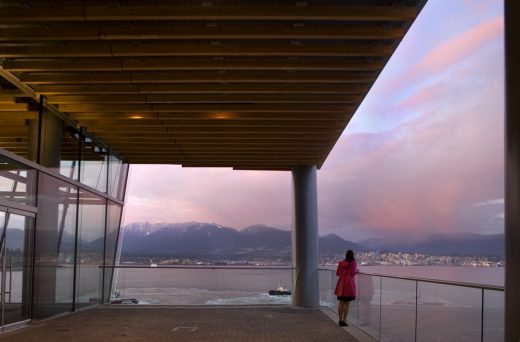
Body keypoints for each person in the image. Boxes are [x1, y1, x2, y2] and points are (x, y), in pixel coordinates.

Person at [334, 249, 358, 326]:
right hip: (349, 285)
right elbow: (352, 273)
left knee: (341, 303)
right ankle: (344, 321)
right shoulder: (353, 263)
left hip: (341, 285)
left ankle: (340, 320)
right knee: (346, 304)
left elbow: (337, 273)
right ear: (352, 256)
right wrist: (357, 271)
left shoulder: (340, 263)